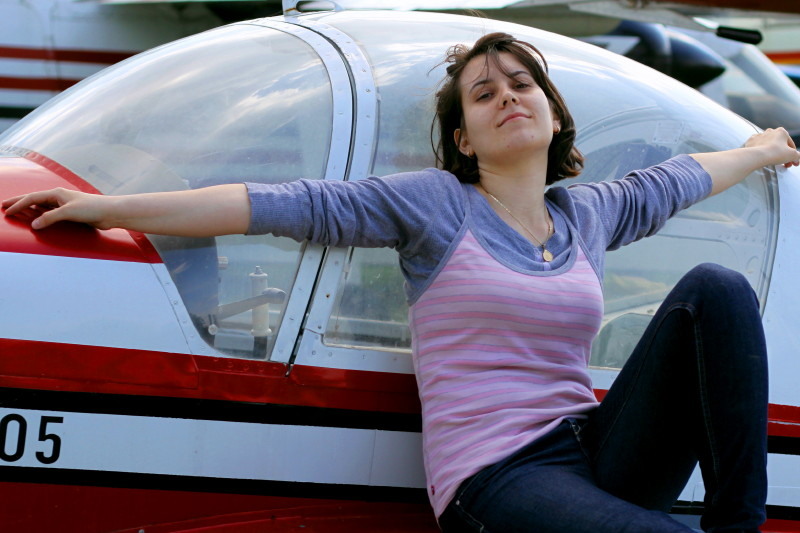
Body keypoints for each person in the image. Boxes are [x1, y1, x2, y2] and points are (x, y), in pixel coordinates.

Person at [3, 32, 799, 533]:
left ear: (553, 115)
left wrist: (762, 151)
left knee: (717, 288)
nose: (506, 96)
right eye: (484, 93)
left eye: (521, 84)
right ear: (464, 137)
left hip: (591, 446)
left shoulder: (587, 212)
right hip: (500, 474)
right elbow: (275, 204)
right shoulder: (436, 204)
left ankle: (740, 525)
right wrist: (109, 204)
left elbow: (684, 177)